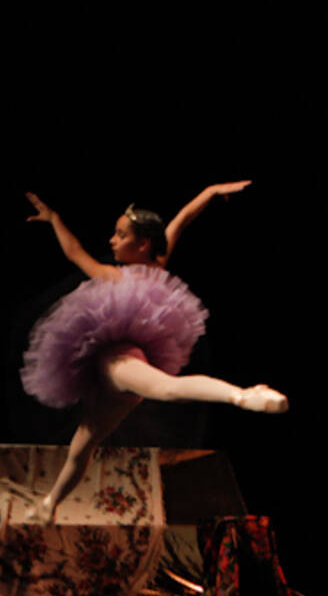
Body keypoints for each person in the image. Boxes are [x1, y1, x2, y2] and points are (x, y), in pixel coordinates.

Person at [19, 182, 288, 523]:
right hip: (118, 379)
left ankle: (244, 395)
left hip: (120, 364)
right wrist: (209, 192)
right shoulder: (155, 266)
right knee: (82, 444)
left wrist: (56, 219)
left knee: (166, 389)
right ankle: (49, 504)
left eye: (120, 235)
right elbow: (182, 219)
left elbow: (76, 253)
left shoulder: (114, 275)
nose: (112, 241)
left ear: (143, 243)